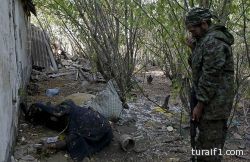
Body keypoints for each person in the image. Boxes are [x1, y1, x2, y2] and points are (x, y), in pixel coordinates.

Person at [185, 7, 234, 162]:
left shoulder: (214, 42)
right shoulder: (204, 41)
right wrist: (194, 49)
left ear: (204, 24)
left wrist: (200, 104)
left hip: (214, 105)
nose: (192, 34)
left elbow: (211, 76)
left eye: (193, 30)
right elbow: (198, 68)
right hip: (207, 101)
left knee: (210, 148)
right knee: (204, 142)